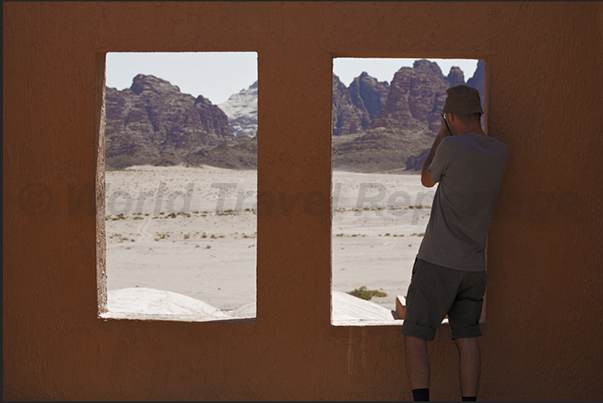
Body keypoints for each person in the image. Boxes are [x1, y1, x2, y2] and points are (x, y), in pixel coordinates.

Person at [400, 85, 509, 401]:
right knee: (467, 338)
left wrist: (441, 134)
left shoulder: (450, 147)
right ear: (478, 113)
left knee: (416, 334)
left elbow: (426, 178)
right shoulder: (501, 152)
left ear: (449, 116)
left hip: (438, 261)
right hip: (474, 267)